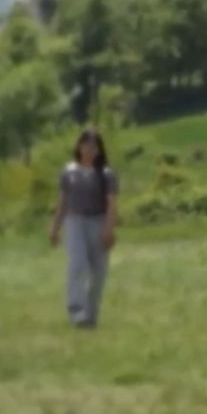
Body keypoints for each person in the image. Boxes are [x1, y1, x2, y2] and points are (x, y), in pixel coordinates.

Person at [50, 129, 119, 329]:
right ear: (79, 147)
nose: (89, 150)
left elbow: (112, 204)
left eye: (94, 147)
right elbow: (62, 202)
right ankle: (76, 308)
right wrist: (55, 227)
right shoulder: (69, 171)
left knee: (99, 272)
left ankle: (90, 313)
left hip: (98, 221)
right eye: (86, 145)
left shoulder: (106, 174)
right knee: (77, 262)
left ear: (99, 150)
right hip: (75, 221)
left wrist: (108, 228)